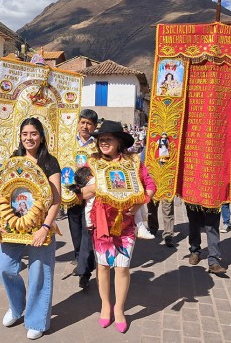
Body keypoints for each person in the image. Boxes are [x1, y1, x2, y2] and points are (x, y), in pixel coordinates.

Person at [0, 117, 61, 340]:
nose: (29, 138)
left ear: (41, 136)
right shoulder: (13, 160)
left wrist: (45, 227)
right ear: (20, 137)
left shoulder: (49, 162)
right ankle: (17, 306)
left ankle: (37, 320)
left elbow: (56, 200)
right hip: (12, 225)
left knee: (39, 272)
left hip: (41, 226)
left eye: (33, 134)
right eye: (24, 134)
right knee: (4, 267)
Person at [83, 120, 156, 333]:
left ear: (119, 141)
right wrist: (97, 187)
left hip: (126, 224)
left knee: (122, 267)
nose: (104, 143)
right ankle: (105, 305)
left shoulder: (133, 162)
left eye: (108, 139)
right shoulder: (92, 163)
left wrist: (141, 202)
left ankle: (119, 309)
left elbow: (150, 185)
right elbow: (80, 192)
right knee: (103, 266)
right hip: (101, 223)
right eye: (101, 140)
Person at [68, 109, 97, 289]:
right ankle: (80, 258)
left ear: (94, 127)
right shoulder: (68, 142)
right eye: (83, 122)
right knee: (76, 230)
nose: (85, 126)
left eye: (89, 124)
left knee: (88, 230)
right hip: (71, 193)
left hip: (91, 195)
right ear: (78, 123)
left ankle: (84, 271)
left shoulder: (98, 145)